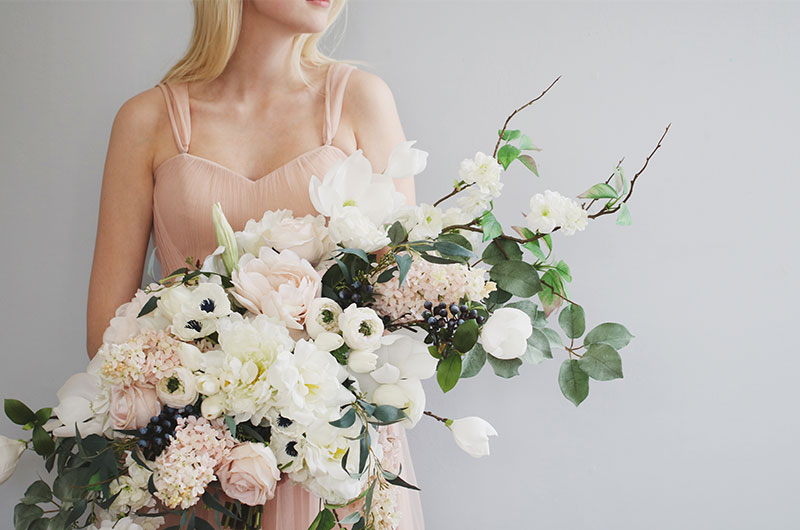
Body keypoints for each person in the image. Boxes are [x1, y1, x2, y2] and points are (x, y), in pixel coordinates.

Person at [85, 0, 424, 528]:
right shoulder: (147, 121)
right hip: (197, 466)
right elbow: (105, 336)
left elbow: (407, 300)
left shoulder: (360, 100)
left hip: (330, 468)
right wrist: (215, 397)